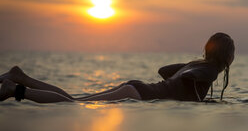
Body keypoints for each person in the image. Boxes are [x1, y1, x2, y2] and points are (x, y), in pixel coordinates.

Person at [0, 32, 235, 103]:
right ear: (226, 55)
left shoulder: (196, 64)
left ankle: (21, 77)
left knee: (73, 101)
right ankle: (15, 90)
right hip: (138, 94)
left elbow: (163, 70)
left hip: (136, 89)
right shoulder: (209, 70)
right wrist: (194, 85)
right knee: (72, 106)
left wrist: (182, 76)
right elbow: (190, 77)